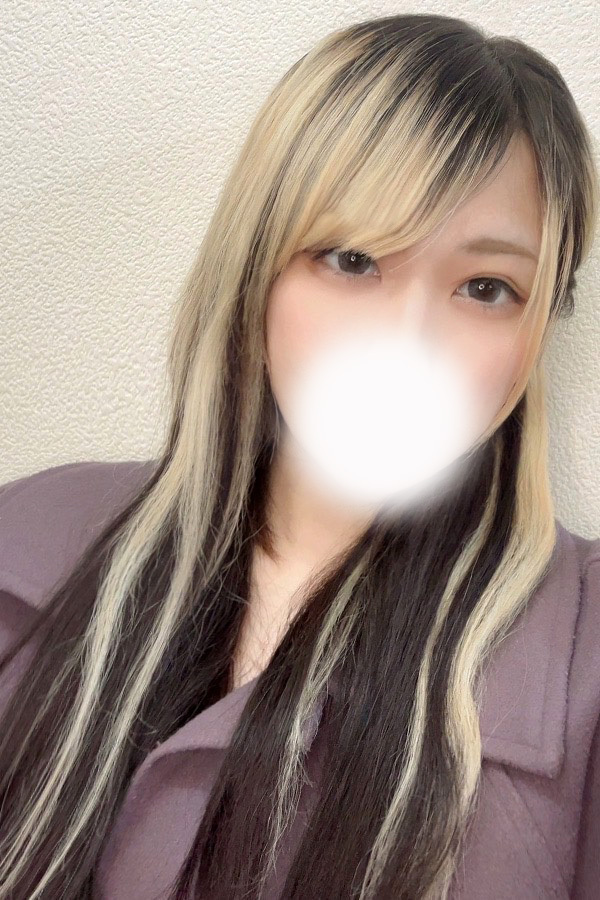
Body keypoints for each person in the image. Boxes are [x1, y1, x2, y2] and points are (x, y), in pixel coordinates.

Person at [0, 13, 599, 900]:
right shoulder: (23, 543)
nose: (406, 341)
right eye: (352, 259)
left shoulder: (584, 660)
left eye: (486, 288)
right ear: (257, 267)